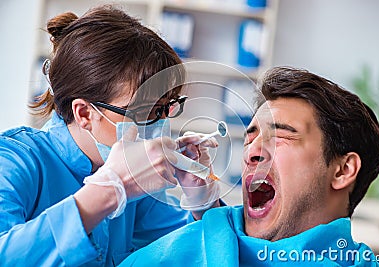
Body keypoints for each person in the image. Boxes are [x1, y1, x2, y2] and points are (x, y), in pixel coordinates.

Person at [0, 5, 220, 266]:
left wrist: (203, 201)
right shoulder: (14, 160)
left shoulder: (138, 190)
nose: (158, 124)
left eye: (165, 107)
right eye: (142, 110)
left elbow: (201, 250)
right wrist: (108, 191)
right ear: (84, 113)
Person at [119, 66, 379, 266]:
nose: (251, 153)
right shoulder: (177, 254)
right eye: (250, 138)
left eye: (281, 136)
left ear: (342, 171)